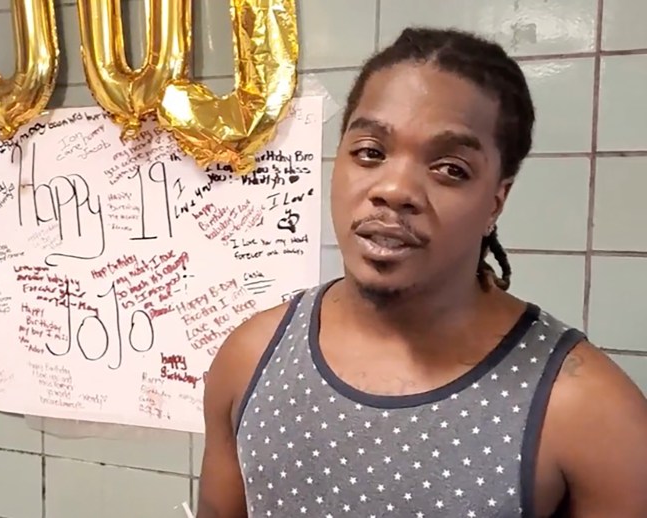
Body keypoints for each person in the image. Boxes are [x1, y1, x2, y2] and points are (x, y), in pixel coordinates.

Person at [197, 27, 647, 518]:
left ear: (497, 199)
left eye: (450, 168)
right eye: (370, 152)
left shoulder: (589, 410)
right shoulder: (250, 360)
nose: (394, 189)